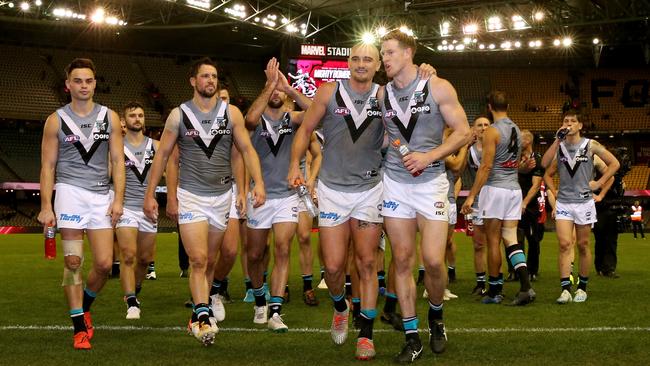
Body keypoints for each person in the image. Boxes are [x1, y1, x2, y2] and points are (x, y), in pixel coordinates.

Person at [143, 57, 266, 346]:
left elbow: (246, 151)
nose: (211, 80)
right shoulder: (178, 115)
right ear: (193, 81)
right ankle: (200, 316)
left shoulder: (231, 113)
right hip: (191, 196)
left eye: (214, 76)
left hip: (221, 197)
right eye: (205, 76)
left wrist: (256, 183)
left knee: (210, 260)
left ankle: (203, 306)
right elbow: (162, 156)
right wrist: (152, 194)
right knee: (198, 259)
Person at [287, 43, 387, 361]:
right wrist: (294, 165)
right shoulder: (329, 91)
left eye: (368, 59)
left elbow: (415, 98)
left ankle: (366, 335)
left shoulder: (385, 96)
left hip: (370, 189)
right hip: (332, 190)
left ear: (378, 64)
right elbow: (304, 131)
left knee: (367, 262)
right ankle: (340, 306)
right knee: (332, 266)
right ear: (348, 62)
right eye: (356, 58)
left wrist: (427, 72)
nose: (361, 63)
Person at [380, 30, 470, 363]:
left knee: (433, 260)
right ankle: (411, 335)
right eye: (382, 53)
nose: (384, 59)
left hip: (431, 181)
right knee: (402, 260)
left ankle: (436, 315)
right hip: (395, 184)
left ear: (408, 53)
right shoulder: (381, 95)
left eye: (389, 52)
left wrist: (429, 156)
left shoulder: (438, 86)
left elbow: (463, 132)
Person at [38, 58, 125, 350]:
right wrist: (47, 206)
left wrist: (119, 199)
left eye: (88, 81)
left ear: (95, 83)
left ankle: (85, 305)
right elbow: (48, 166)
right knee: (73, 262)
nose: (83, 86)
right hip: (70, 192)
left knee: (103, 264)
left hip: (101, 195)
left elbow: (117, 161)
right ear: (68, 85)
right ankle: (78, 326)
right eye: (78, 81)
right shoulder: (56, 120)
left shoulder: (110, 117)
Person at [243, 58, 313, 331]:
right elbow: (249, 119)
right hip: (260, 195)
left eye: (278, 91)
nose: (275, 94)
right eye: (271, 90)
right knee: (255, 254)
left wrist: (290, 89)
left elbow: (316, 110)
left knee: (283, 249)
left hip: (287, 195)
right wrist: (269, 85)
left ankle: (274, 310)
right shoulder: (255, 118)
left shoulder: (292, 118)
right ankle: (260, 300)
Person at [461, 91, 536, 307]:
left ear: (489, 106)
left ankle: (495, 290)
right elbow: (512, 163)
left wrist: (472, 196)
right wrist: (522, 168)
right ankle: (525, 286)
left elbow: (486, 167)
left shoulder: (492, 132)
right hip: (514, 189)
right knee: (511, 238)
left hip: (495, 189)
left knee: (493, 241)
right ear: (508, 106)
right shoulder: (516, 129)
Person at [541, 110, 619, 304]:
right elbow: (545, 168)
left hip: (584, 202)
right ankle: (565, 289)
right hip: (565, 203)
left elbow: (614, 164)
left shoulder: (590, 145)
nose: (569, 124)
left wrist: (600, 183)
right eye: (565, 121)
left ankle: (582, 288)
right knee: (565, 244)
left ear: (580, 126)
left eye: (573, 121)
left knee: (583, 245)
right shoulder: (559, 147)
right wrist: (554, 191)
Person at [115, 101, 159, 320]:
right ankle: (131, 301)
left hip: (148, 210)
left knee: (144, 259)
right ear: (124, 121)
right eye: (132, 115)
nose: (137, 119)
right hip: (125, 209)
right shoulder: (115, 147)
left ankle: (136, 288)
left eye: (140, 115)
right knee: (129, 255)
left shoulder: (157, 146)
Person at [465, 117, 490, 296]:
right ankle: (481, 282)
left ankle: (497, 280)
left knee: (497, 242)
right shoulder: (469, 152)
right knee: (479, 244)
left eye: (486, 125)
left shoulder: (498, 148)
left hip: (496, 198)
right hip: (478, 201)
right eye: (479, 125)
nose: (483, 128)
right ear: (474, 129)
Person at [515, 130, 544, 282]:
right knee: (514, 239)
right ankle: (516, 270)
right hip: (513, 202)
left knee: (532, 239)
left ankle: (532, 270)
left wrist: (524, 202)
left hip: (530, 206)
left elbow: (536, 185)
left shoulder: (537, 159)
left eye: (520, 137)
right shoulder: (514, 157)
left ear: (528, 141)